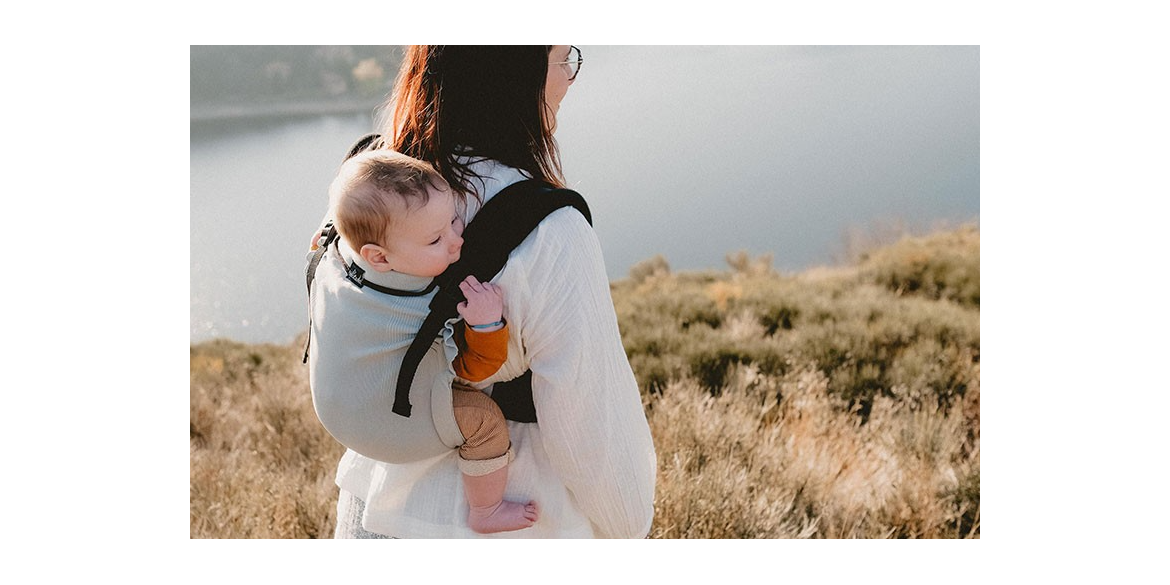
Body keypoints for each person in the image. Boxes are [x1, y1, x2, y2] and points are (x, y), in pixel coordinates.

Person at [322, 45, 656, 538]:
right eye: (563, 58)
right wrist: (631, 528)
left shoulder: (371, 181)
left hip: (371, 508)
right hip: (510, 519)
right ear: (511, 73)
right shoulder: (550, 230)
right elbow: (590, 431)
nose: (569, 76)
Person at [324, 149, 538, 533]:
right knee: (485, 422)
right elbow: (472, 370)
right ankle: (485, 510)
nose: (457, 241)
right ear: (379, 256)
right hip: (389, 432)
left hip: (335, 407)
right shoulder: (424, 306)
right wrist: (487, 326)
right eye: (436, 239)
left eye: (454, 220)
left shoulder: (338, 257)